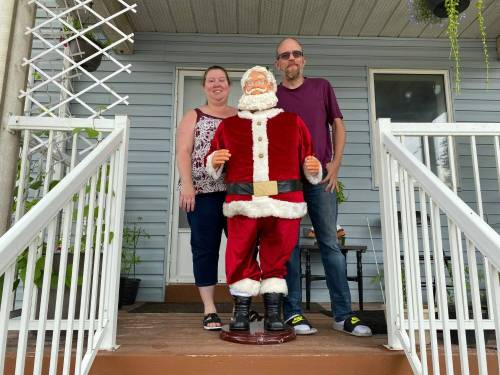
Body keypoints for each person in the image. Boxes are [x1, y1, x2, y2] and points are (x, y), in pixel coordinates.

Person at [206, 66, 322, 332]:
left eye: (262, 81)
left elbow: (308, 156)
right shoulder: (229, 125)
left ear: (272, 87)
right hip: (242, 202)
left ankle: (273, 312)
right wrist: (214, 161)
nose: (256, 86)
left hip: (283, 203)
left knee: (277, 254)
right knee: (239, 252)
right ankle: (242, 312)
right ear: (244, 89)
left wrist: (312, 168)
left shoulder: (293, 122)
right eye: (250, 83)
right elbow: (213, 160)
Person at [275, 37, 372, 337]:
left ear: (304, 60)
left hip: (322, 179)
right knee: (287, 247)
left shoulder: (321, 87)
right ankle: (292, 313)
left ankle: (343, 316)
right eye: (285, 55)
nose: (291, 58)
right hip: (285, 182)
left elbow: (338, 125)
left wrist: (336, 164)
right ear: (277, 64)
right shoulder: (272, 95)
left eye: (296, 54)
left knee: (330, 244)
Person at [175, 66, 237, 330]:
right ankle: (209, 308)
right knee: (204, 248)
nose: (216, 84)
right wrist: (187, 185)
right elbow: (183, 151)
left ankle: (240, 306)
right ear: (204, 87)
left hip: (236, 193)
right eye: (210, 81)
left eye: (221, 80)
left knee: (241, 248)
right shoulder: (194, 115)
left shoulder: (241, 115)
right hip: (202, 194)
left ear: (229, 85)